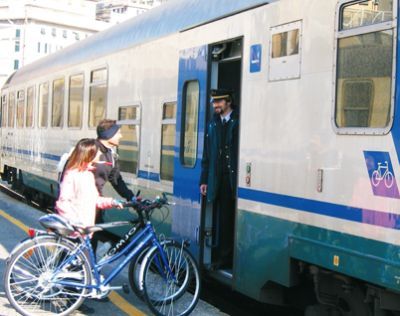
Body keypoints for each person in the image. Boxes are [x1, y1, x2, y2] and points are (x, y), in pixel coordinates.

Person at [200, 88, 239, 268]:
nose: (215, 105)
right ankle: (220, 255)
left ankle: (228, 257)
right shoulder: (212, 124)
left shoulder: (238, 122)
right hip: (218, 179)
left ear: (228, 102)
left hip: (234, 179)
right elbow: (207, 155)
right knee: (220, 218)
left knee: (229, 219)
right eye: (214, 102)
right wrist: (204, 180)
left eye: (219, 102)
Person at [56, 138, 122, 228]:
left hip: (85, 229)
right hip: (75, 231)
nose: (100, 154)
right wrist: (74, 222)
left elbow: (93, 199)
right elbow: (63, 202)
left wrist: (111, 202)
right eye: (97, 152)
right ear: (90, 154)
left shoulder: (88, 174)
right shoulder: (72, 174)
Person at [91, 119, 135, 251]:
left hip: (95, 204)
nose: (121, 136)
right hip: (81, 204)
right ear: (108, 134)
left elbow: (116, 180)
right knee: (79, 243)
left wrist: (131, 197)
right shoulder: (92, 150)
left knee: (91, 241)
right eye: (118, 133)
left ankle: (84, 270)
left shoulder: (111, 155)